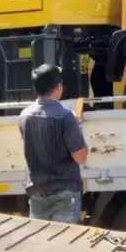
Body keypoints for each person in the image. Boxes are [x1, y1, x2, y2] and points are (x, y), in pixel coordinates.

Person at [19, 64, 88, 223]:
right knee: (63, 242)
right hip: (64, 193)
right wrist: (77, 126)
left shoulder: (24, 116)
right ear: (58, 87)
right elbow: (80, 157)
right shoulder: (65, 117)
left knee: (41, 242)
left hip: (36, 192)